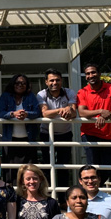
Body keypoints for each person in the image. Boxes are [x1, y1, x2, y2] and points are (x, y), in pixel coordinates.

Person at [37, 68, 77, 206]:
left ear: (61, 81)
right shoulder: (41, 94)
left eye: (57, 80)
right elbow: (45, 113)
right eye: (52, 80)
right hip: (46, 134)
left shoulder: (69, 92)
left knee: (63, 167)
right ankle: (47, 198)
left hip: (65, 134)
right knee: (47, 167)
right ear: (46, 82)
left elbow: (74, 113)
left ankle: (62, 200)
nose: (55, 82)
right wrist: (62, 110)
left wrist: (69, 110)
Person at [77, 63, 111, 184]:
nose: (90, 75)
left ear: (99, 74)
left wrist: (106, 116)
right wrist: (100, 112)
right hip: (88, 133)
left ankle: (94, 191)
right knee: (93, 167)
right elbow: (81, 112)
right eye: (87, 73)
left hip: (107, 134)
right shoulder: (82, 92)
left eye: (93, 72)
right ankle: (92, 195)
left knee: (108, 168)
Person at [0, 74, 41, 183]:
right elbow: (0, 113)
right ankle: (12, 196)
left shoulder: (31, 96)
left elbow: (37, 112)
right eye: (17, 83)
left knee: (29, 170)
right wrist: (13, 114)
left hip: (28, 139)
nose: (20, 85)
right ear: (13, 84)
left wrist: (26, 114)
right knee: (10, 171)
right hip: (10, 140)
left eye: (23, 83)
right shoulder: (5, 96)